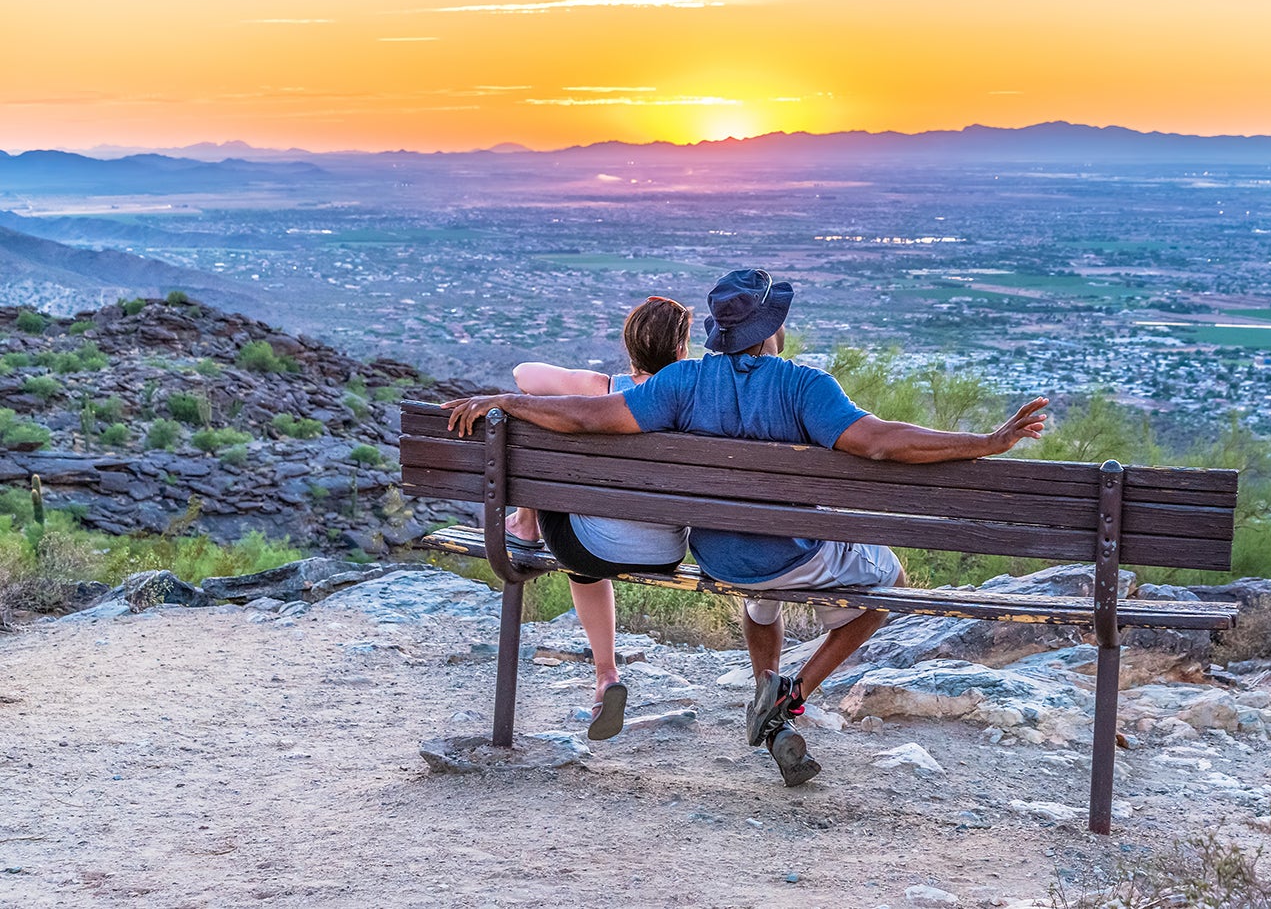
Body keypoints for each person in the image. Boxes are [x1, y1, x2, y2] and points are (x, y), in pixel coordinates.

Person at [443, 269, 1047, 786]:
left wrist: (510, 401)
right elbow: (884, 444)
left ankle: (765, 686)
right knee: (883, 587)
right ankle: (788, 697)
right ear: (771, 330)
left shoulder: (680, 381)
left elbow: (590, 416)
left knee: (761, 594)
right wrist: (987, 441)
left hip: (718, 557)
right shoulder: (806, 386)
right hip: (793, 555)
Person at [502, 296, 696, 741]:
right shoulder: (695, 397)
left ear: (630, 346)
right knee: (592, 548)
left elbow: (523, 376)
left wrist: (593, 382)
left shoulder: (603, 388)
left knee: (544, 440)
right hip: (666, 552)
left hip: (589, 548)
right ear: (682, 351)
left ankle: (525, 525)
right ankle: (603, 676)